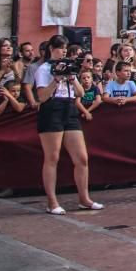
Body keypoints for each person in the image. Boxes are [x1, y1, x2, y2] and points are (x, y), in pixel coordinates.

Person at [34, 35, 103, 214]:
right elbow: (41, 96)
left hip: (69, 107)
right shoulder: (44, 68)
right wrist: (56, 79)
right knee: (52, 157)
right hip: (52, 108)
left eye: (65, 48)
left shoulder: (69, 67)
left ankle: (84, 198)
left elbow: (80, 91)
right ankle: (52, 201)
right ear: (52, 49)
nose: (63, 51)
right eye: (60, 48)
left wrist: (72, 77)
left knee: (81, 157)